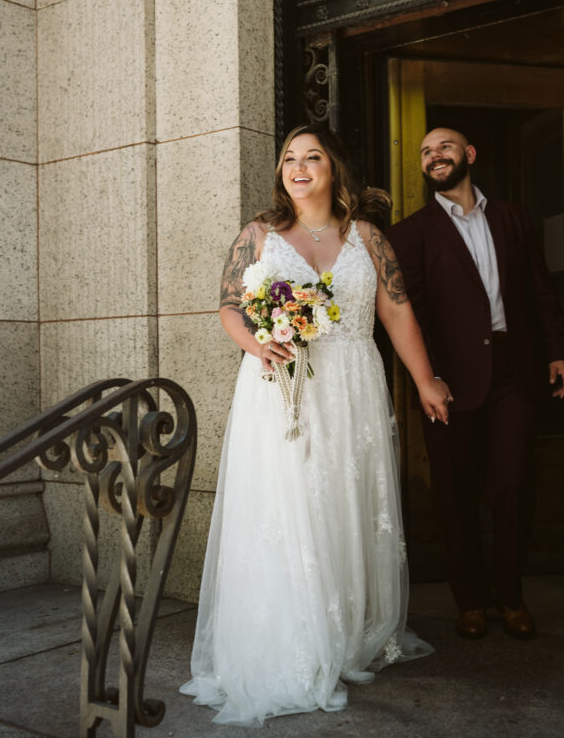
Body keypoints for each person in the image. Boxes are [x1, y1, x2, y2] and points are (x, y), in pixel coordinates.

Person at [181, 125, 450, 727]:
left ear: (335, 168)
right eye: (289, 159)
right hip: (278, 386)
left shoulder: (369, 239)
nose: (298, 168)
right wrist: (257, 344)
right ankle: (289, 638)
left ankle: (344, 628)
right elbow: (228, 305)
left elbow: (397, 311)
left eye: (312, 158)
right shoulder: (257, 235)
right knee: (286, 506)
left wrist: (427, 378)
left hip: (351, 384)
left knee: (339, 504)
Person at [388, 126, 564, 641]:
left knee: (513, 484)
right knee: (456, 491)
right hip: (448, 378)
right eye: (425, 151)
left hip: (515, 368)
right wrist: (428, 379)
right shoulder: (411, 232)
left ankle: (510, 597)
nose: (434, 155)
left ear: (468, 154)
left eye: (444, 147)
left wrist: (558, 350)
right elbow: (412, 315)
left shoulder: (512, 217)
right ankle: (470, 601)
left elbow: (540, 287)